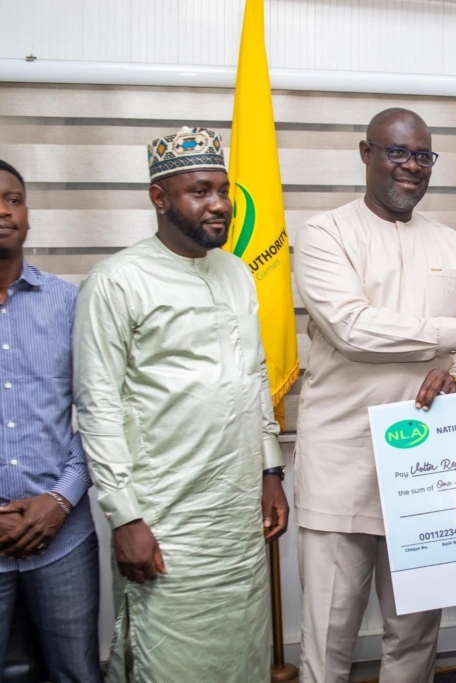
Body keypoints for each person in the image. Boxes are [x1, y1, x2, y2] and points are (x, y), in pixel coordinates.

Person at [292, 107, 456, 683]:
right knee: (328, 639)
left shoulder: (450, 243)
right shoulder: (325, 234)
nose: (411, 166)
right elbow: (352, 329)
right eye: (396, 152)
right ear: (365, 153)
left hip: (427, 467)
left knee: (415, 635)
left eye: (422, 156)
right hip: (344, 465)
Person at [73, 127, 289, 683]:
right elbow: (97, 406)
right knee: (170, 660)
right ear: (159, 198)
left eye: (223, 190)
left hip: (237, 516)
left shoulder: (236, 272)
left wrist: (270, 472)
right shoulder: (117, 281)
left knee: (243, 655)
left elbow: (253, 375)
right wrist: (125, 518)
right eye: (199, 191)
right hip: (167, 518)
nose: (219, 204)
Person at [0, 160, 101, 682]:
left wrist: (61, 499)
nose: (3, 211)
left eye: (13, 199)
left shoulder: (68, 303)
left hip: (62, 536)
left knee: (76, 672)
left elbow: (103, 411)